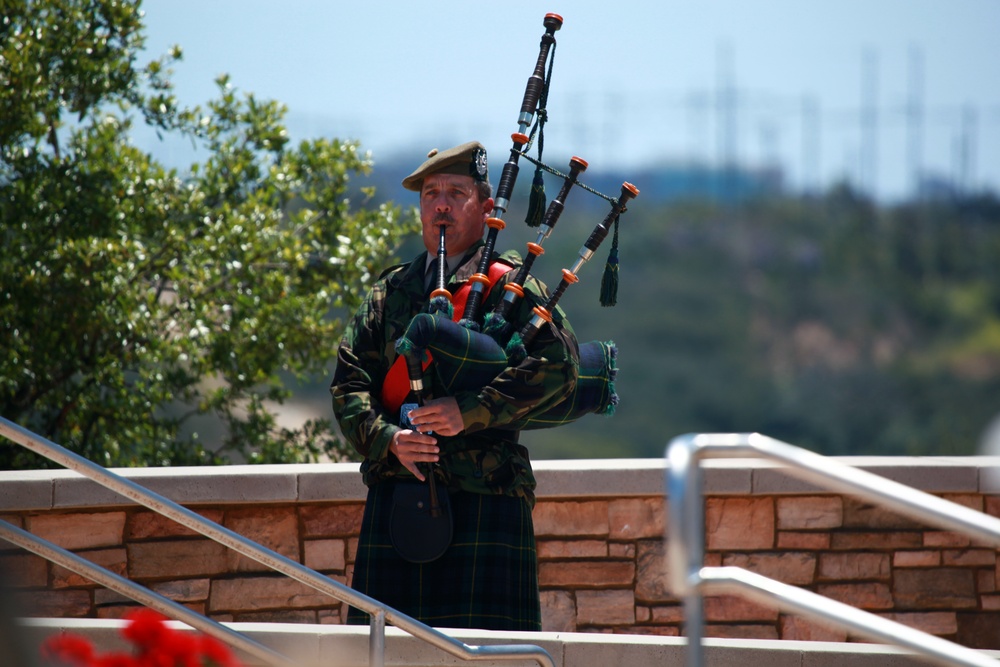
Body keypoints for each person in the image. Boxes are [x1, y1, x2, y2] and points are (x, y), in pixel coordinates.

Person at [330, 141, 579, 631]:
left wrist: (471, 410)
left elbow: (560, 364)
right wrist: (389, 440)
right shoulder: (391, 292)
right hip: (399, 497)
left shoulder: (510, 284)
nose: (440, 203)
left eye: (456, 192)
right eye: (430, 193)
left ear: (487, 208)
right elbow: (349, 383)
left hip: (487, 498)